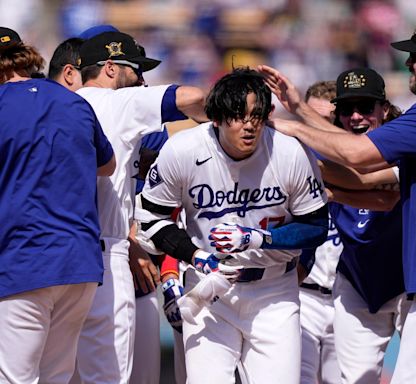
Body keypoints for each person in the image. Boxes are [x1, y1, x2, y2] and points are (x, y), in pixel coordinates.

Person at [259, 16, 416, 383]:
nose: (408, 63)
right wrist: (301, 108)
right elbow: (368, 177)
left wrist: (288, 126)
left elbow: (358, 155)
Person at [135, 67, 328, 384]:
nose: (249, 124)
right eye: (238, 115)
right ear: (216, 117)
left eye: (257, 115)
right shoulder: (183, 150)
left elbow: (317, 225)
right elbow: (150, 219)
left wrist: (257, 238)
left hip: (274, 293)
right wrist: (195, 255)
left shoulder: (288, 151)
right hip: (210, 289)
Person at [70, 30, 207, 384]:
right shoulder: (121, 102)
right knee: (108, 376)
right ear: (111, 68)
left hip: (55, 255)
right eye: (136, 71)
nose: (142, 82)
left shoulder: (59, 103)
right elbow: (195, 96)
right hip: (106, 254)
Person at [0, 27, 115, 383]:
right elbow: (107, 165)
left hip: (23, 260)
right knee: (56, 377)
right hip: (77, 264)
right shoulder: (72, 100)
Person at [325, 67, 409, 384]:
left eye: (365, 108)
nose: (356, 117)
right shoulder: (327, 156)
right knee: (355, 380)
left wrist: (333, 190)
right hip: (357, 281)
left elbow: (384, 198)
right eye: (347, 109)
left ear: (384, 110)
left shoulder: (408, 147)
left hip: (410, 282)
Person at [297, 80, 343, 384]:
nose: (318, 129)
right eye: (311, 118)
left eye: (327, 121)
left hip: (347, 298)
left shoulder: (361, 167)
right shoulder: (286, 162)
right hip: (303, 295)